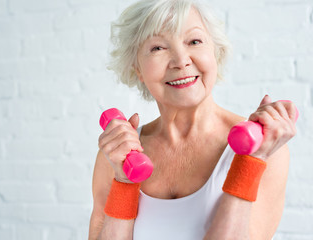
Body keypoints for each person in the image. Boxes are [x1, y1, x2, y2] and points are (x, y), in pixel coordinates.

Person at [89, 0, 297, 239]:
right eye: (158, 47)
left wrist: (251, 163)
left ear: (214, 53)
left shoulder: (265, 149)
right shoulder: (116, 155)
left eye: (194, 41)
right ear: (137, 68)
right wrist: (123, 181)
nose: (181, 60)